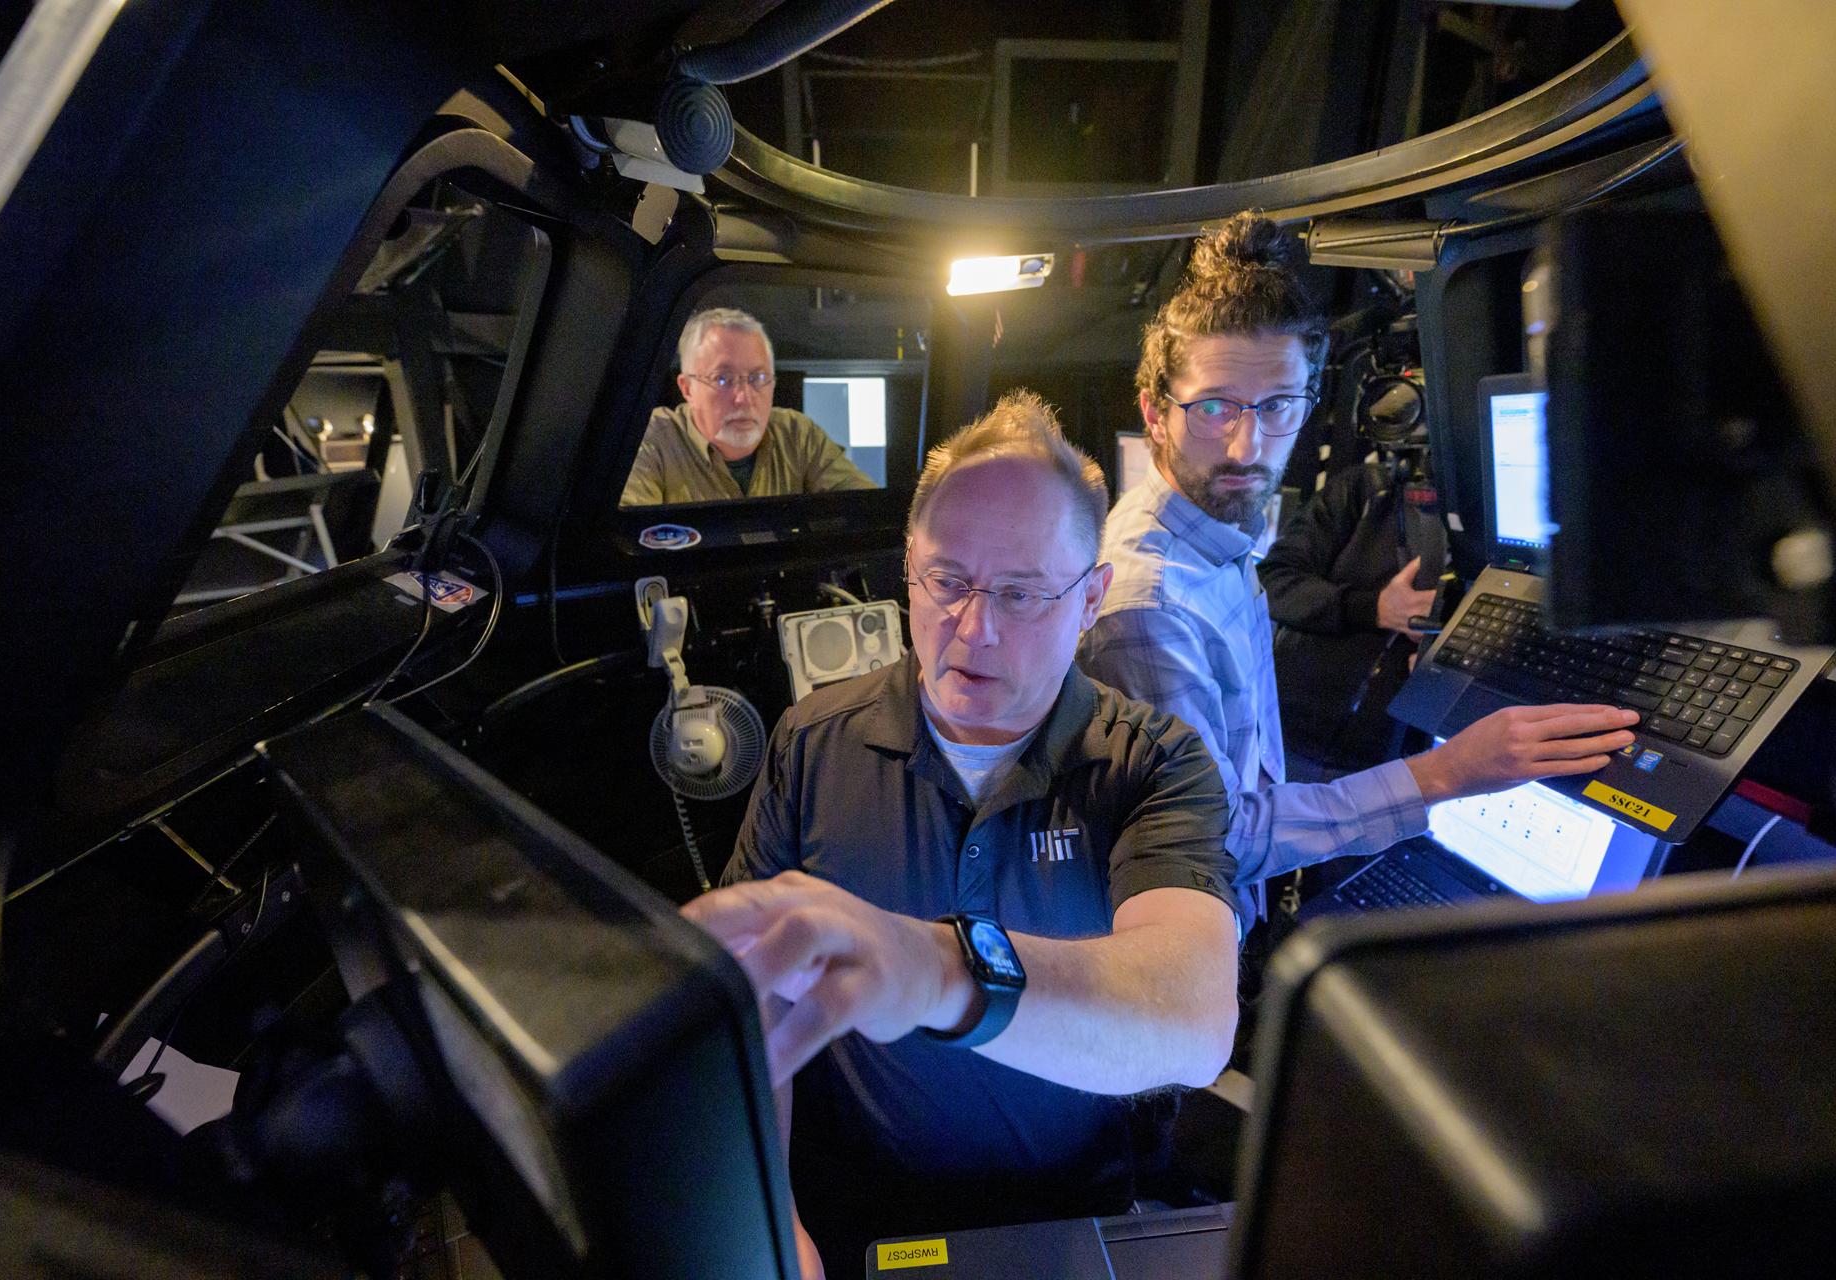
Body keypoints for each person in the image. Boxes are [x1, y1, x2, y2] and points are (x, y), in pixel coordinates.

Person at [682, 392, 1241, 1279]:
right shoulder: (811, 742)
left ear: (1092, 597)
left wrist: (938, 969)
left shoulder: (1154, 761)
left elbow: (1193, 1017)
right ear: (908, 568)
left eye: (1021, 593)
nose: (973, 630)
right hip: (849, 1220)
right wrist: (771, 1216)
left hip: (1068, 1223)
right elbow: (757, 1005)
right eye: (948, 582)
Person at [1074, 211, 1638, 905]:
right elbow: (1213, 843)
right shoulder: (1148, 608)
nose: (1247, 448)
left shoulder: (1207, 531)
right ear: (1155, 412)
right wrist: (1450, 772)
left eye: (1278, 404)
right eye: (1216, 407)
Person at [1259, 455, 1449, 776]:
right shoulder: (1364, 488)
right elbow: (1272, 582)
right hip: (1284, 736)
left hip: (1393, 763)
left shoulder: (1499, 515)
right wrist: (1375, 609)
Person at [620, 306, 876, 505]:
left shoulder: (798, 434)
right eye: (723, 379)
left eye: (758, 378)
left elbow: (867, 511)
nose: (743, 397)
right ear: (687, 388)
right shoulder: (652, 438)